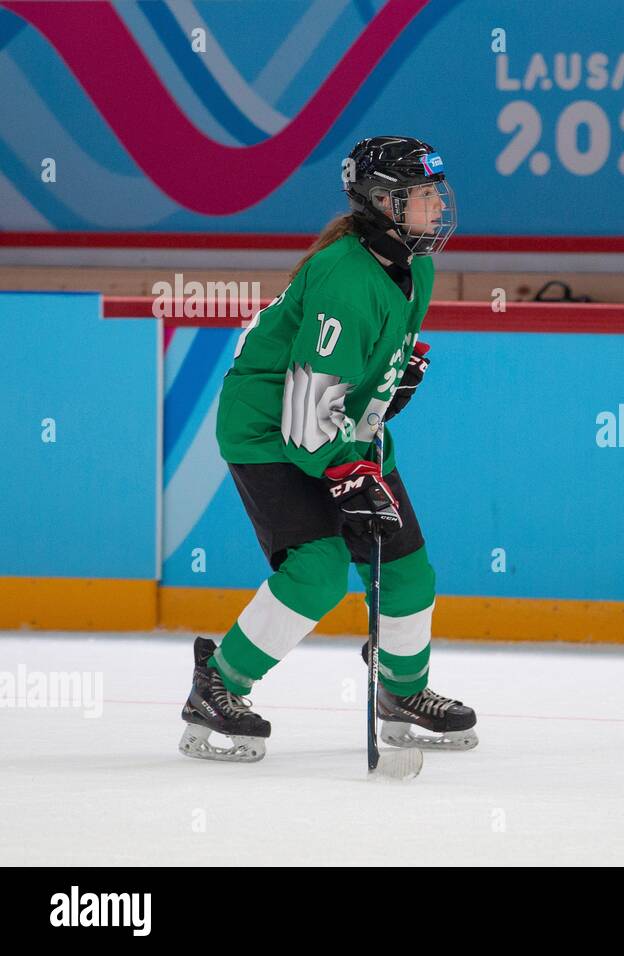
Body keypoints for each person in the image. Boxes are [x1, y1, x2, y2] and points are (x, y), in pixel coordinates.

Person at [179, 135, 477, 763]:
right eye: (419, 195)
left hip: (342, 428)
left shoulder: (415, 265)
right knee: (316, 573)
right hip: (269, 431)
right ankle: (219, 685)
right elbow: (307, 420)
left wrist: (391, 383)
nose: (434, 206)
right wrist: (348, 476)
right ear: (381, 203)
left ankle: (402, 691)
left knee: (407, 571)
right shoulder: (344, 278)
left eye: (432, 193)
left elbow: (365, 371)